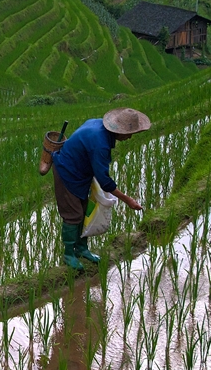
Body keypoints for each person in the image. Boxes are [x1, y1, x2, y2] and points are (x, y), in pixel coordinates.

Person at [51, 107, 150, 271]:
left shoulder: (96, 124)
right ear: (119, 130)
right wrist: (128, 200)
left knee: (83, 211)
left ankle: (82, 249)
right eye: (129, 132)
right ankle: (69, 254)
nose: (131, 136)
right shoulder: (100, 145)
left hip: (81, 172)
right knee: (73, 214)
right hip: (66, 171)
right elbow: (105, 181)